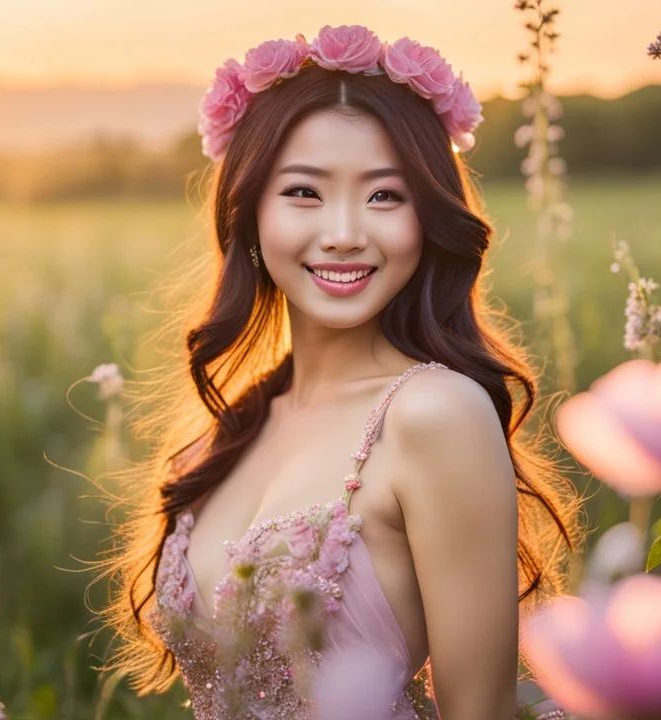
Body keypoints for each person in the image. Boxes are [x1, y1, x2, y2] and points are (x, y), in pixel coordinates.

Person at [98, 24, 579, 720]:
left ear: (429, 216)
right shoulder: (236, 426)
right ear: (249, 211)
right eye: (304, 192)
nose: (346, 231)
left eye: (385, 196)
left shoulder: (434, 415)